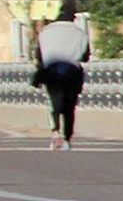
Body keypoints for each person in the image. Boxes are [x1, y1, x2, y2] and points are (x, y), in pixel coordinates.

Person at [31, 17, 89, 151]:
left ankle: (55, 131)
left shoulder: (45, 33)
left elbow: (39, 57)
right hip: (72, 73)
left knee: (54, 103)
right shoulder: (80, 33)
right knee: (70, 108)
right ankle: (67, 138)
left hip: (52, 72)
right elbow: (85, 57)